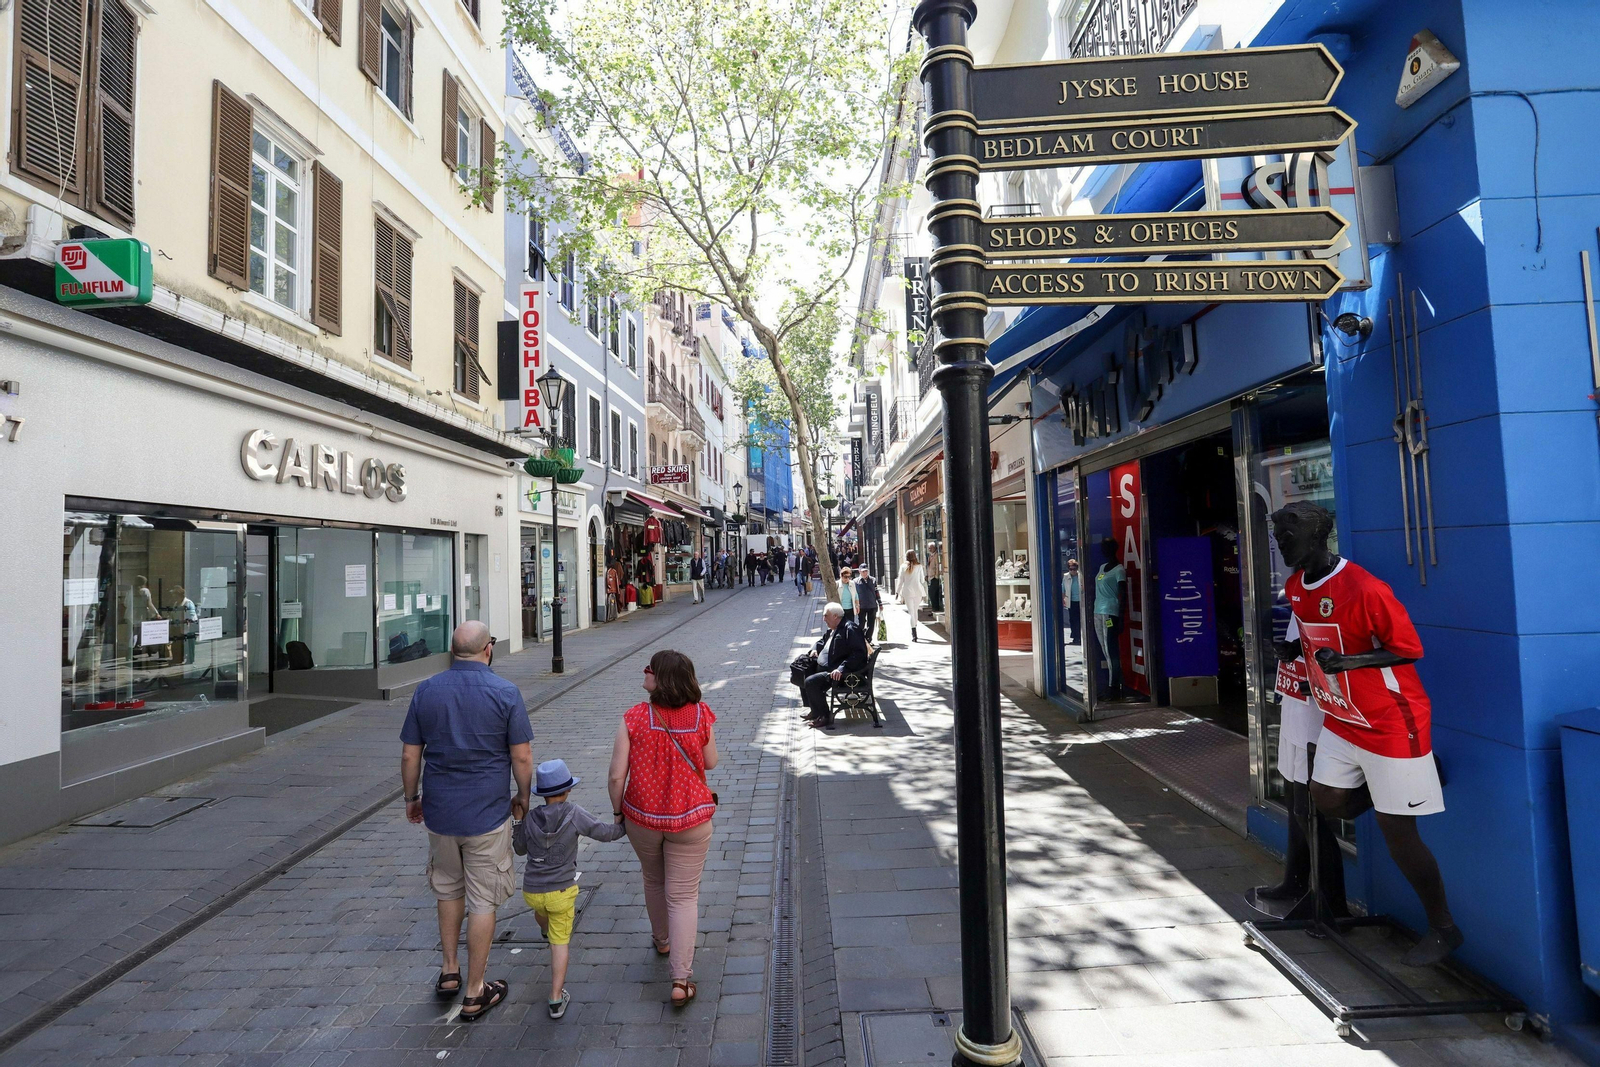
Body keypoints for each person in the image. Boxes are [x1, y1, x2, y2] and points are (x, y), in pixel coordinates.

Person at [1274, 501, 1456, 966]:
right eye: (1276, 535)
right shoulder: (1296, 586)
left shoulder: (1365, 588)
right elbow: (1316, 636)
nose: (1280, 543)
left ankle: (1443, 927)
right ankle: (1393, 786)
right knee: (1323, 799)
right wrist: (1294, 647)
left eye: (1287, 535)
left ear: (1317, 535)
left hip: (1391, 722)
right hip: (1342, 718)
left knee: (1399, 834)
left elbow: (1408, 649)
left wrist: (1350, 661)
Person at [400, 621, 533, 1021]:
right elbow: (522, 757)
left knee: (447, 889)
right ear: (487, 649)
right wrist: (523, 797)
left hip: (440, 813)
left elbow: (410, 755)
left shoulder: (426, 690)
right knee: (482, 900)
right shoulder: (505, 692)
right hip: (487, 814)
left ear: (451, 650)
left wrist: (411, 798)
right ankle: (475, 992)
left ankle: (449, 970)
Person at [608, 650, 719, 1007]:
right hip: (691, 817)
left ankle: (662, 940)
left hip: (643, 817)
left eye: (649, 668)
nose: (644, 672)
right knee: (684, 895)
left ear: (662, 678)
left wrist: (617, 813)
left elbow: (615, 776)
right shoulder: (701, 714)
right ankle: (680, 979)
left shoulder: (635, 717)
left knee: (654, 880)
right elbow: (711, 762)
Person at [513, 758, 627, 1020]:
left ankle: (544, 928)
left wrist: (517, 820)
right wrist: (625, 826)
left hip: (532, 890)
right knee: (560, 942)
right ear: (567, 791)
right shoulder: (573, 813)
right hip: (561, 892)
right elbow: (603, 833)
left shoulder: (530, 818)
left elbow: (519, 849)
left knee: (541, 912)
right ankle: (555, 997)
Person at [800, 602, 870, 730]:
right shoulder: (835, 628)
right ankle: (815, 711)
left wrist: (841, 668)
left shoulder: (850, 629)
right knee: (802, 670)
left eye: (826, 616)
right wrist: (815, 649)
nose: (824, 619)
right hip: (830, 667)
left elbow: (858, 654)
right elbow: (821, 641)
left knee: (811, 682)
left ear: (835, 616)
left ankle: (825, 716)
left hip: (844, 674)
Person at [1093, 536, 1125, 696]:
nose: (1102, 550)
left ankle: (1114, 686)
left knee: (1111, 649)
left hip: (1110, 613)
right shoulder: (1102, 567)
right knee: (1104, 649)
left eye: (1104, 547)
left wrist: (1121, 618)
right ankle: (1112, 683)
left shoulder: (1119, 570)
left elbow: (1123, 594)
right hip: (1097, 611)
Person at [897, 551, 927, 642]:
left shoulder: (903, 567)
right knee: (915, 611)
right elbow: (922, 580)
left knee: (911, 613)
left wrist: (897, 592)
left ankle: (914, 634)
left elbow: (900, 580)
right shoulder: (919, 567)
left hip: (907, 591)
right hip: (918, 591)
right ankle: (915, 627)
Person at [855, 564, 880, 640]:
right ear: (859, 571)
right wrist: (856, 605)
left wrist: (880, 603)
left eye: (866, 571)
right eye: (863, 571)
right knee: (861, 623)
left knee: (871, 623)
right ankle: (861, 639)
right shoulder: (855, 582)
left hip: (872, 605)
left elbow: (876, 592)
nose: (864, 573)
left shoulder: (873, 580)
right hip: (861, 606)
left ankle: (869, 638)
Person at [1063, 558, 1082, 645]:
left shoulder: (1080, 576)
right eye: (1071, 569)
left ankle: (1080, 636)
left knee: (1080, 619)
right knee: (1073, 620)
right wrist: (1064, 599)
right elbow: (1063, 589)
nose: (1073, 571)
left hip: (1080, 601)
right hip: (1071, 601)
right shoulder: (1066, 576)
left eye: (1074, 569)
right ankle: (1075, 636)